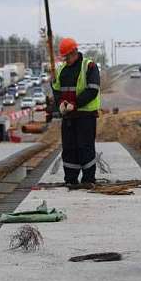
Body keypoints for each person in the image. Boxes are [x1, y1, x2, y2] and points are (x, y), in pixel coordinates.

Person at [51, 37, 101, 185]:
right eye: (64, 57)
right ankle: (71, 179)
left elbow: (92, 90)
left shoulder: (89, 67)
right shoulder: (61, 70)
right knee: (69, 148)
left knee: (85, 147)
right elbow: (56, 89)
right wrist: (60, 102)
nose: (65, 60)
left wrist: (75, 104)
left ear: (74, 52)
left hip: (85, 115)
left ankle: (88, 179)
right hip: (68, 117)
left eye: (67, 57)